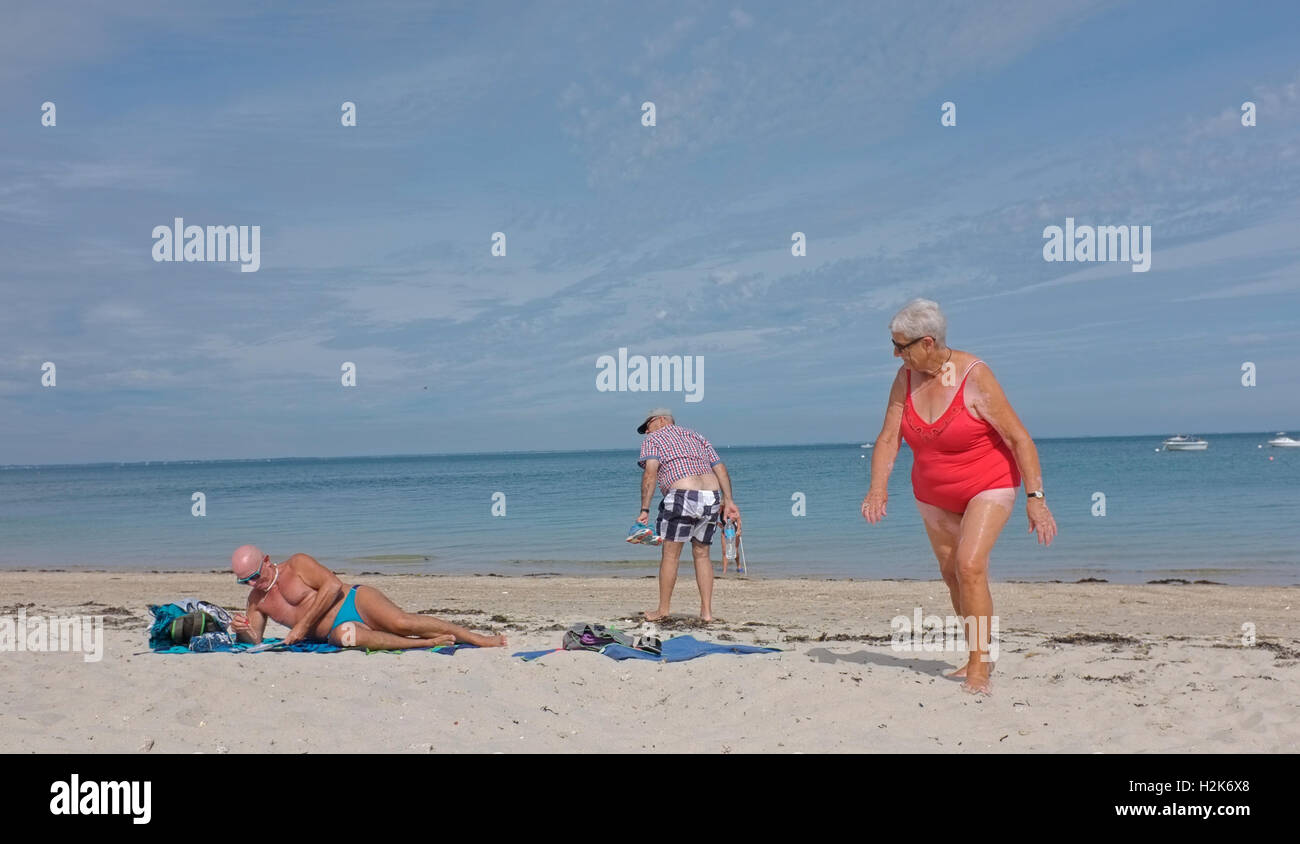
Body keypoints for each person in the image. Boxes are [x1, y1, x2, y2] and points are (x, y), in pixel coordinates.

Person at [861, 299, 1056, 694]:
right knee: (952, 574)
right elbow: (888, 437)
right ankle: (974, 654)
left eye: (901, 346)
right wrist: (877, 488)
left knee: (970, 567)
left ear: (928, 343)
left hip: (989, 484)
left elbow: (1019, 439)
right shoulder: (904, 378)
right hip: (933, 493)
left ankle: (981, 668)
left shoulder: (974, 375)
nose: (895, 354)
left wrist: (1036, 498)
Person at [228, 545, 506, 649]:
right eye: (245, 580)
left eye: (254, 574)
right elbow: (254, 640)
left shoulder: (297, 565)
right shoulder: (256, 599)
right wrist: (242, 631)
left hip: (353, 601)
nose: (252, 582)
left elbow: (332, 586)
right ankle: (426, 644)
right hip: (332, 633)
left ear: (266, 560)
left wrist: (301, 626)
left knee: (402, 622)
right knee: (348, 637)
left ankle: (477, 638)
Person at [634, 408, 741, 622]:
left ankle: (662, 611)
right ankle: (707, 613)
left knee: (671, 555)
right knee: (702, 555)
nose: (646, 432)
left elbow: (650, 473)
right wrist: (728, 501)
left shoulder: (654, 438)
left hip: (682, 494)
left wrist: (644, 509)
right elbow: (720, 468)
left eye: (648, 426)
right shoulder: (696, 435)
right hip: (711, 496)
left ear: (662, 420)